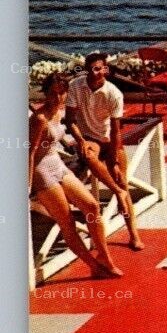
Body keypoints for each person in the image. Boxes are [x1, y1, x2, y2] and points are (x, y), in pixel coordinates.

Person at [30, 72, 122, 278]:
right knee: (67, 222)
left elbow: (62, 130)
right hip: (41, 172)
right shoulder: (40, 118)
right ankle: (93, 266)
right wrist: (27, 185)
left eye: (61, 93)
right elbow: (30, 152)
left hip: (57, 164)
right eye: (52, 93)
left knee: (92, 206)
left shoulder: (59, 112)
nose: (57, 98)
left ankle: (105, 257)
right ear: (45, 93)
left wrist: (79, 140)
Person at [66, 52, 140, 250]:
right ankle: (117, 191)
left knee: (122, 181)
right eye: (91, 69)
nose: (95, 73)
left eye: (99, 69)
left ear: (105, 69)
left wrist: (114, 160)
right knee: (88, 154)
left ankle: (134, 234)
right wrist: (80, 139)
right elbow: (70, 119)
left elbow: (116, 131)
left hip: (110, 140)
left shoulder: (114, 93)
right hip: (90, 138)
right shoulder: (75, 86)